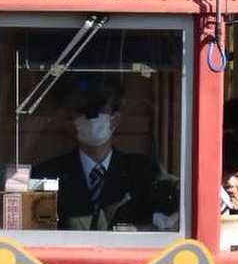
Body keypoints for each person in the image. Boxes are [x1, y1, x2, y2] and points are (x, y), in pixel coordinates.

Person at [36, 83, 161, 231]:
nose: (92, 118)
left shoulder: (144, 172)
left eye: (101, 110)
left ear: (116, 119)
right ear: (72, 123)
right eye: (84, 112)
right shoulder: (47, 175)